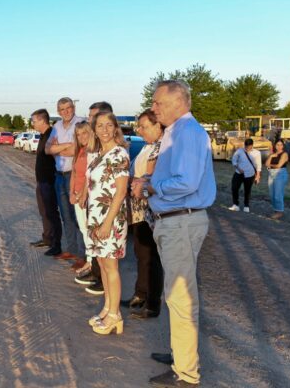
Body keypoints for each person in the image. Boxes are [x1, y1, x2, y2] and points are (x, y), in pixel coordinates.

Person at [132, 80, 216, 387]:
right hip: (174, 221)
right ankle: (180, 356)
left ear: (179, 102)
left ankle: (186, 372)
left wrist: (150, 187)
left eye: (158, 103)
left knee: (180, 297)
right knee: (175, 295)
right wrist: (148, 183)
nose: (153, 108)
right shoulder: (175, 132)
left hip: (181, 221)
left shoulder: (187, 132)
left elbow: (187, 182)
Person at [85, 112, 130, 335]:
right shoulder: (98, 154)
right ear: (94, 130)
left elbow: (120, 192)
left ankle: (115, 315)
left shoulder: (119, 154)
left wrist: (106, 224)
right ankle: (108, 307)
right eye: (100, 126)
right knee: (102, 263)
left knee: (111, 266)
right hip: (96, 217)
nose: (104, 130)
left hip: (111, 219)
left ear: (115, 128)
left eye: (109, 125)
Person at [128, 109, 164, 320]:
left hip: (150, 209)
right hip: (138, 208)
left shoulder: (161, 148)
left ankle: (152, 303)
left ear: (158, 125)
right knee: (141, 253)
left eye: (144, 126)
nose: (140, 130)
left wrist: (138, 182)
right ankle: (140, 293)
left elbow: (151, 178)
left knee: (151, 257)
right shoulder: (146, 147)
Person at [77, 101, 115, 293]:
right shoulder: (96, 144)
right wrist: (84, 193)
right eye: (91, 117)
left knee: (107, 252)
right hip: (94, 201)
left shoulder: (114, 149)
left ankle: (104, 285)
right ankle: (96, 273)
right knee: (96, 244)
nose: (90, 119)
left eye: (93, 117)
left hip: (106, 205)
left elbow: (119, 189)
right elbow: (89, 173)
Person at [45, 97, 85, 261]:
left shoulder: (81, 123)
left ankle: (83, 255)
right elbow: (47, 149)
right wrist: (66, 145)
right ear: (58, 111)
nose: (66, 111)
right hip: (59, 176)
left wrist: (57, 149)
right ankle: (72, 250)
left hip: (74, 175)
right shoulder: (56, 127)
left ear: (73, 107)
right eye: (62, 109)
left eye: (68, 108)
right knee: (66, 216)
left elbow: (78, 149)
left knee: (78, 216)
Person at [29, 109, 63, 256]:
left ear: (42, 121)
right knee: (44, 211)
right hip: (41, 181)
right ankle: (47, 238)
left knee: (51, 212)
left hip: (49, 180)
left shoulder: (52, 135)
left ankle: (56, 244)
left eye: (34, 121)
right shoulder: (43, 135)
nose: (32, 124)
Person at [70, 121, 94, 275]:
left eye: (84, 133)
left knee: (89, 230)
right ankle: (89, 261)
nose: (82, 137)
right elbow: (74, 172)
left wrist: (80, 195)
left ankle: (92, 263)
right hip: (77, 195)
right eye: (78, 134)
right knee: (83, 229)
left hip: (86, 196)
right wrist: (71, 193)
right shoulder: (79, 151)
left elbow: (89, 175)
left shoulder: (93, 151)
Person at [228, 138, 261, 213]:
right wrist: (238, 168)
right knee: (234, 188)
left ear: (252, 145)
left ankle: (246, 206)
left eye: (248, 147)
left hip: (250, 174)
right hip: (238, 173)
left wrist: (258, 176)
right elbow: (234, 160)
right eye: (246, 147)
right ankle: (235, 205)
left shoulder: (257, 153)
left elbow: (259, 165)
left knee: (247, 190)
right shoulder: (239, 151)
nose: (247, 148)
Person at [265, 139, 289, 220]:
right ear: (275, 146)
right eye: (277, 145)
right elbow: (266, 164)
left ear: (283, 146)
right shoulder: (272, 154)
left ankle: (280, 212)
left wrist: (270, 165)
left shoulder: (284, 154)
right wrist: (271, 156)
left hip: (280, 174)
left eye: (281, 145)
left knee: (278, 194)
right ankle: (276, 210)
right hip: (271, 174)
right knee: (272, 194)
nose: (279, 146)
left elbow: (279, 165)